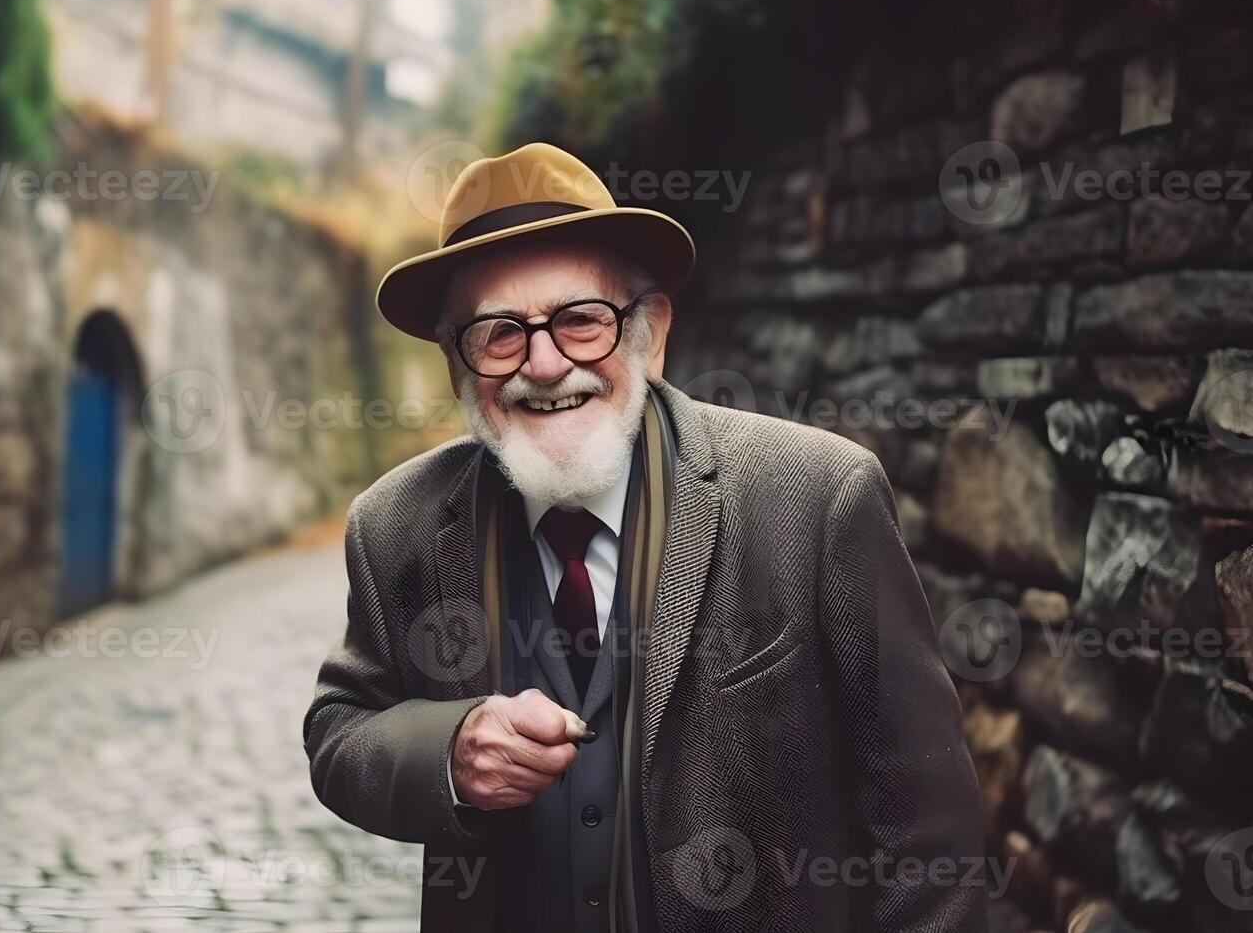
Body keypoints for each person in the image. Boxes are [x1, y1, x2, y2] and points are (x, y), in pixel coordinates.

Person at [304, 143, 987, 932]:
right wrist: (448, 753)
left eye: (582, 320)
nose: (547, 363)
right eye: (499, 334)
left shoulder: (818, 499)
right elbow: (339, 732)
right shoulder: (397, 527)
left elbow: (928, 837)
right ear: (460, 368)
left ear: (650, 333)